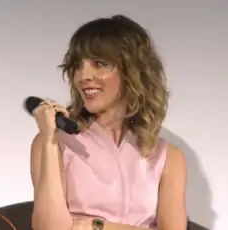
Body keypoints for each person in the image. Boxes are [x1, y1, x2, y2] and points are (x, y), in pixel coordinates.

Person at [30, 15, 187, 230]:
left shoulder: (167, 157)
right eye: (77, 66)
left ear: (131, 71)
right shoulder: (54, 142)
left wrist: (96, 226)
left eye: (99, 64)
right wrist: (49, 140)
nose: (83, 76)